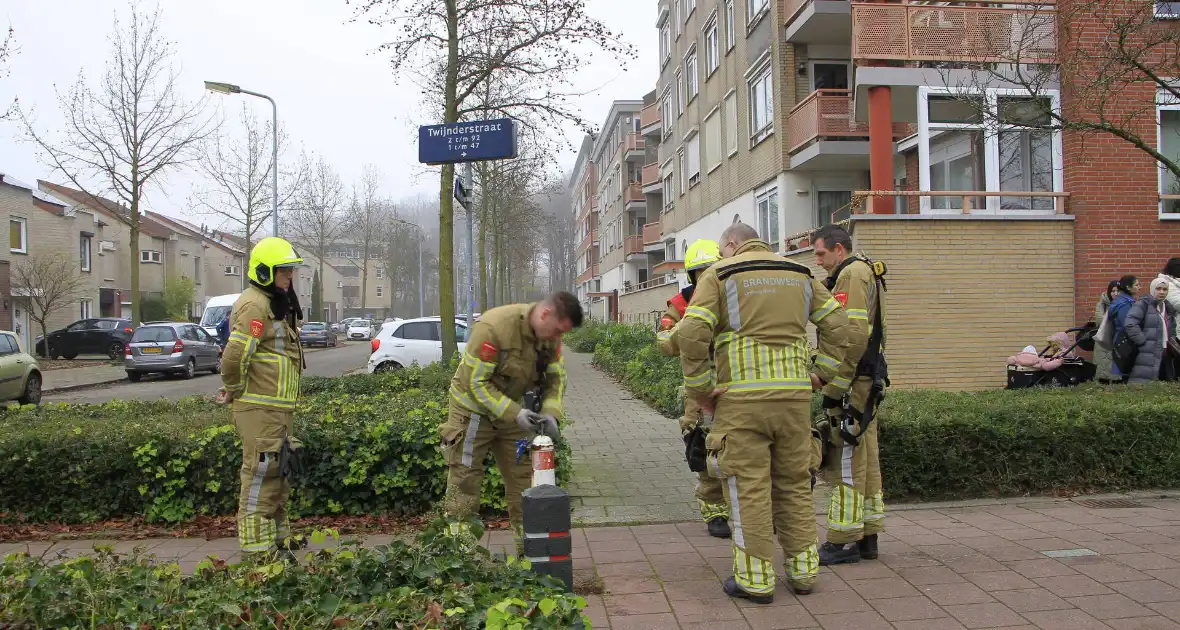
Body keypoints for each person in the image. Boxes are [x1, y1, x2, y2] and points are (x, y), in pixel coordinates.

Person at [678, 222, 851, 602]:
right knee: (794, 486)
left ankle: (755, 581)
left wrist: (702, 389)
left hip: (742, 404)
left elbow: (691, 335)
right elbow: (840, 325)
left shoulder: (719, 274)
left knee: (748, 489)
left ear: (731, 244)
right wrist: (821, 373)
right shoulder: (800, 272)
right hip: (794, 402)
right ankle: (804, 573)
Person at [439, 291, 583, 550]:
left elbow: (555, 381)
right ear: (545, 313)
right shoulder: (493, 328)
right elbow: (476, 384)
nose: (558, 338)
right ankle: (459, 558)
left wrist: (551, 414)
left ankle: (528, 555)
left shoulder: (549, 339)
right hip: (472, 412)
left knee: (523, 481)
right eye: (558, 331)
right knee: (465, 480)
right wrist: (516, 413)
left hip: (513, 413)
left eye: (563, 334)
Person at [216, 237, 307, 557]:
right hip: (261, 407)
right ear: (266, 271)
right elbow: (234, 356)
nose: (289, 276)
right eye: (284, 271)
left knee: (278, 481)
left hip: (277, 410)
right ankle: (257, 561)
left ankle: (279, 549)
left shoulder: (273, 301)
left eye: (291, 270)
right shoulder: (255, 304)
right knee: (260, 481)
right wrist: (236, 389)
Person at [809, 225, 889, 566]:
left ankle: (842, 540)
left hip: (854, 379)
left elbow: (852, 336)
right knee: (866, 457)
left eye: (821, 253)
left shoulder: (851, 276)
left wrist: (834, 386)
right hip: (868, 377)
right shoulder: (864, 269)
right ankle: (867, 536)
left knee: (846, 458)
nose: (818, 260)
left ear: (839, 249)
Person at [655, 238, 730, 539]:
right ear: (692, 275)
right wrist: (684, 336)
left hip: (733, 381)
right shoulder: (681, 303)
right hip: (700, 384)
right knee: (703, 443)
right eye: (701, 271)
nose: (706, 275)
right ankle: (715, 511)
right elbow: (664, 339)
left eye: (711, 268)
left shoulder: (732, 293)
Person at [1124, 277, 1177, 383]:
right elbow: (1130, 323)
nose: (1161, 292)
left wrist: (1172, 340)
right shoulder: (1143, 304)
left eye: (1164, 289)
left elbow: (1172, 327)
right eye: (1158, 289)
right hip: (1147, 353)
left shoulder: (1167, 306)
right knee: (1144, 383)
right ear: (1152, 289)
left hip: (1165, 353)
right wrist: (1142, 342)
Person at [1110, 275, 1139, 381]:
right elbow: (1127, 325)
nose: (1138, 287)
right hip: (1124, 342)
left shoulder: (1124, 301)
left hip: (1123, 340)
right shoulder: (1124, 304)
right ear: (1128, 287)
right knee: (1123, 375)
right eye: (1136, 285)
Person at [1094, 281, 1120, 384]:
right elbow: (1099, 321)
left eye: (1118, 291)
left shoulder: (1126, 303)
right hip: (1103, 342)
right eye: (1113, 291)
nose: (1115, 293)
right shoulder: (1102, 305)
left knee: (1117, 376)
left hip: (1118, 341)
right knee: (1103, 373)